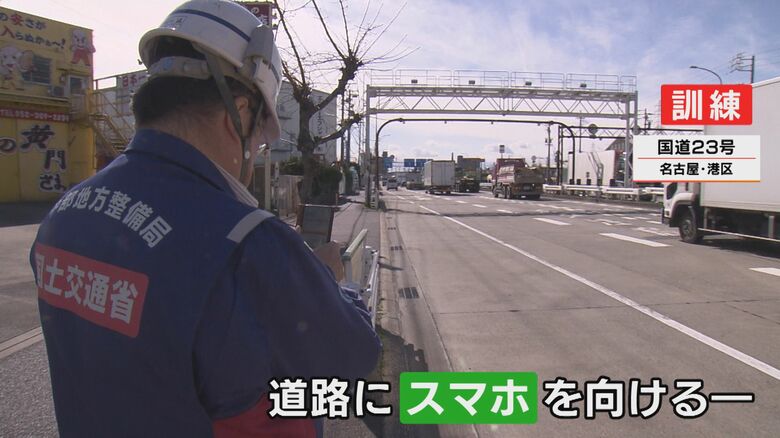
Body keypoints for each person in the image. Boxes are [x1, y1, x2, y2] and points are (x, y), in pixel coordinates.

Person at [29, 1, 380, 437]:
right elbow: (351, 357)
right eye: (260, 136)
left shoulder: (64, 213)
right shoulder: (246, 243)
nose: (255, 152)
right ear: (240, 114)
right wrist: (327, 280)